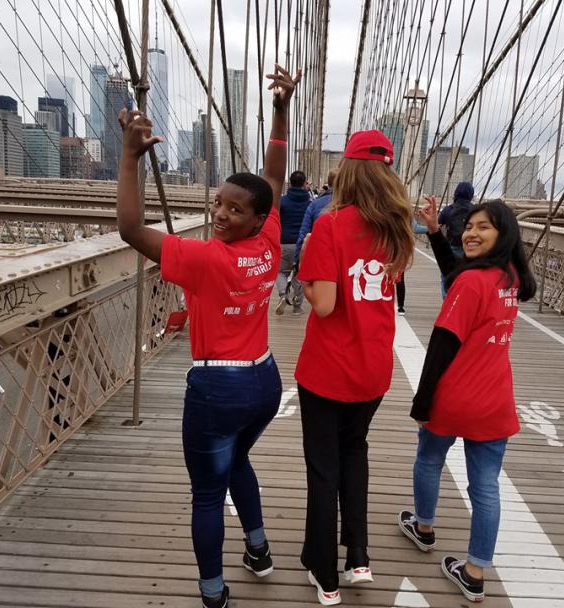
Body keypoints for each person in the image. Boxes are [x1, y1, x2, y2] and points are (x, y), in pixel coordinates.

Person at [115, 64, 301, 608]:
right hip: (265, 381)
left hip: (217, 390)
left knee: (205, 494)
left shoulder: (203, 260)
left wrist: (129, 157)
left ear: (255, 217)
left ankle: (213, 592)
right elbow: (272, 178)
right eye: (218, 203)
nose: (219, 213)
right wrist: (282, 111)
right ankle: (260, 550)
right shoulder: (269, 239)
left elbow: (128, 228)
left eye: (232, 209)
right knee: (238, 461)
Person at [295, 130, 414, 605]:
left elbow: (323, 304)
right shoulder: (397, 231)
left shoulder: (329, 225)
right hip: (373, 370)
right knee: (354, 454)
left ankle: (325, 576)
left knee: (323, 468)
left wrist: (307, 273)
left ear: (346, 170)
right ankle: (357, 557)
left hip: (328, 369)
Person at [397, 200, 536, 603]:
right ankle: (475, 571)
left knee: (429, 459)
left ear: (503, 234)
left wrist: (422, 402)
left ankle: (423, 528)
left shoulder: (470, 283)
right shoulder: (510, 277)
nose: (471, 233)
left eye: (483, 228)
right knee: (486, 486)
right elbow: (461, 278)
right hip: (495, 399)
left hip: (455, 396)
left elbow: (442, 344)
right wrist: (437, 234)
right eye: (469, 226)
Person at [277, 170, 311, 314]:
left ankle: (283, 293)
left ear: (290, 183)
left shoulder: (282, 201)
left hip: (284, 242)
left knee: (280, 272)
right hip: (303, 244)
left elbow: (276, 221)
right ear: (304, 184)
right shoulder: (311, 204)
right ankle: (297, 307)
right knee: (300, 275)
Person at [436, 181, 474, 297]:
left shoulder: (448, 209)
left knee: (446, 275)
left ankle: (447, 301)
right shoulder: (476, 210)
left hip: (451, 246)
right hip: (470, 247)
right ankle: (463, 300)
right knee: (468, 275)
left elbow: (437, 224)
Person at [294, 169, 337, 265]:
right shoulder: (354, 205)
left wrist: (297, 260)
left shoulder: (315, 204)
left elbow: (304, 233)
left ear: (328, 185)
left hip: (319, 256)